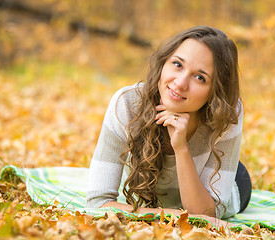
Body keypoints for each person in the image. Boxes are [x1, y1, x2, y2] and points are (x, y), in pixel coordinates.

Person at [86, 26, 252, 224]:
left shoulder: (227, 113)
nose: (181, 83)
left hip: (226, 179)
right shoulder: (127, 103)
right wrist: (168, 214)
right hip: (158, 190)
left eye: (200, 77)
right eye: (177, 64)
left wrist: (181, 147)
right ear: (164, 62)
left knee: (234, 181)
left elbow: (205, 215)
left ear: (215, 91)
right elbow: (97, 203)